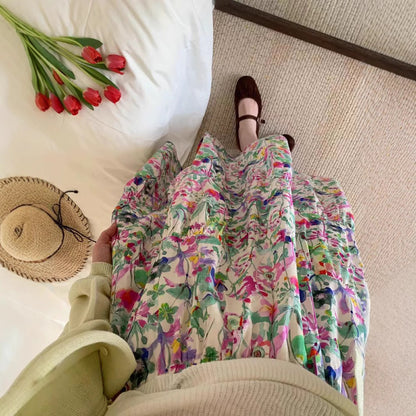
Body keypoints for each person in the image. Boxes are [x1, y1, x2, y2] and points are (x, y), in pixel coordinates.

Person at [0, 77, 370, 416]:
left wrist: (99, 279)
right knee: (297, 245)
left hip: (164, 376)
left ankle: (255, 148)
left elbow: (74, 371)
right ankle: (261, 153)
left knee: (201, 221)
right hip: (308, 388)